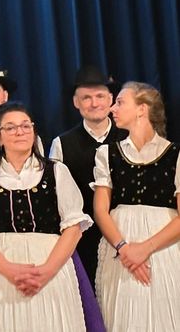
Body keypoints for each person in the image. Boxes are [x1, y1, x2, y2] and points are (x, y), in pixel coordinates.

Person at [0, 101, 94, 332]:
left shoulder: (57, 171)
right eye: (11, 127)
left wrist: (46, 272)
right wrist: (9, 270)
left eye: (25, 126)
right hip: (1, 271)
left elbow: (73, 228)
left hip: (51, 264)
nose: (20, 132)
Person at [92, 82, 180, 332]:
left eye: (120, 102)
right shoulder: (107, 153)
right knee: (122, 315)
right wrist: (125, 248)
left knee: (165, 312)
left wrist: (145, 249)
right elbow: (100, 210)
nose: (112, 108)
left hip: (164, 246)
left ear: (142, 109)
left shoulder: (175, 155)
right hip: (119, 244)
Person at [48, 65, 127, 284]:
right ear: (76, 103)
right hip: (84, 241)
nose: (94, 103)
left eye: (100, 96)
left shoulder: (130, 136)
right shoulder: (61, 144)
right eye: (86, 98)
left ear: (111, 99)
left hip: (129, 233)